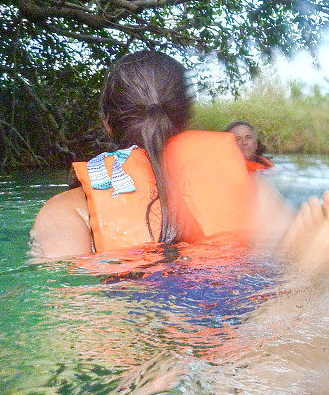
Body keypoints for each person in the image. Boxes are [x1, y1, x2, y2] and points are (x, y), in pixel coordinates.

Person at [30, 51, 294, 260]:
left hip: (129, 318)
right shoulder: (253, 190)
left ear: (106, 123)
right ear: (186, 119)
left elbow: (69, 308)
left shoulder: (67, 211)